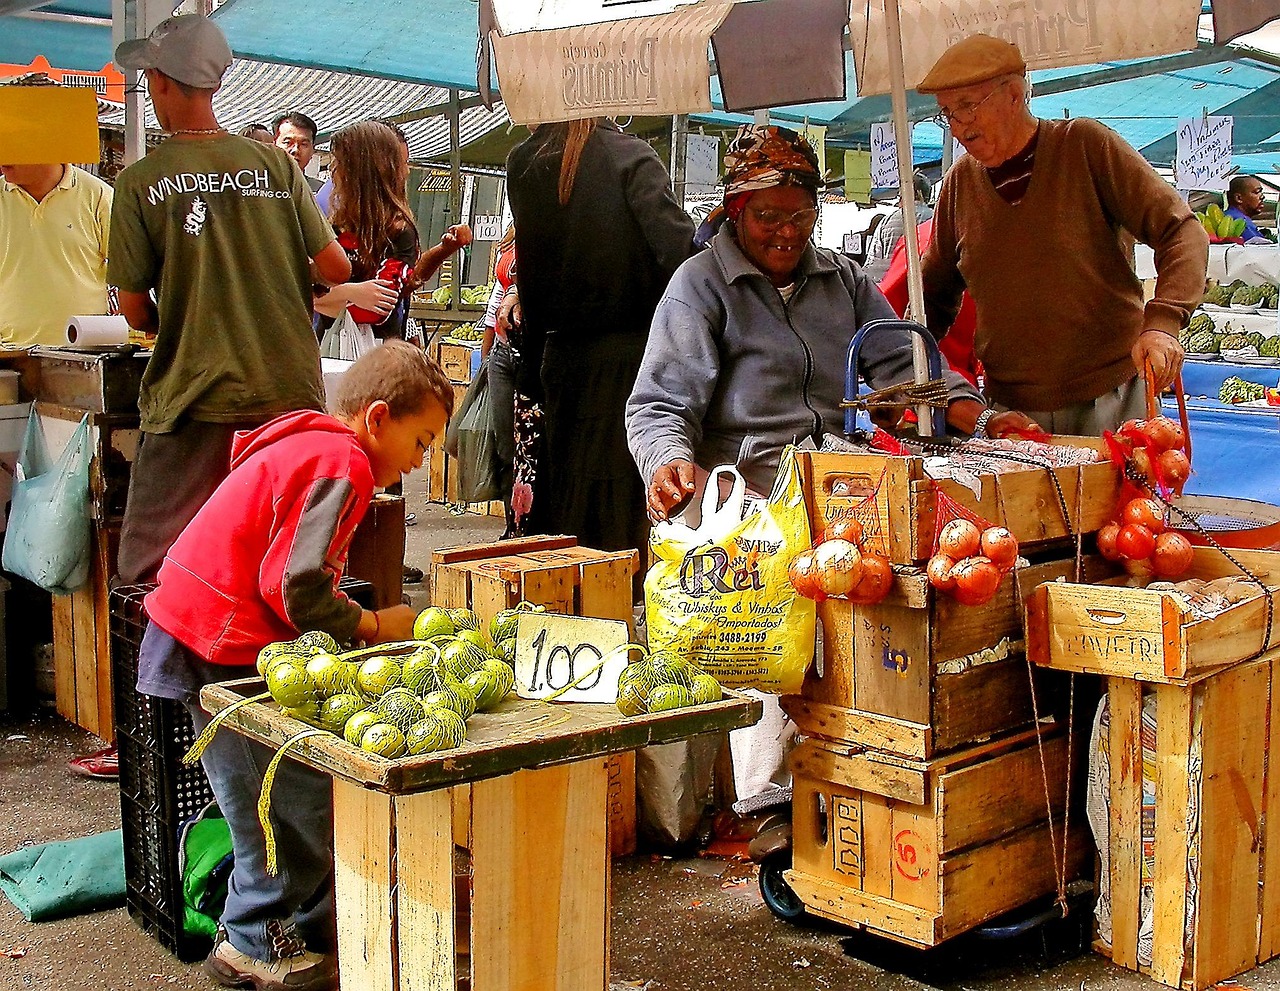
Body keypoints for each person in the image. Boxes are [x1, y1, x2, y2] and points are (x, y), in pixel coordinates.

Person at [625, 124, 992, 809]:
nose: (787, 233)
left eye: (800, 216)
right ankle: (765, 802)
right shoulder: (700, 286)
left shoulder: (845, 281)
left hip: (838, 493)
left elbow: (907, 375)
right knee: (771, 648)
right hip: (748, 506)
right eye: (768, 217)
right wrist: (668, 460)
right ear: (735, 212)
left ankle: (859, 777)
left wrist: (977, 413)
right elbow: (657, 404)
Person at [136, 341, 452, 991]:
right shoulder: (345, 464)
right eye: (420, 442)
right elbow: (294, 585)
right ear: (378, 418)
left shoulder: (311, 444)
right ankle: (251, 941)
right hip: (213, 645)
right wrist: (370, 623)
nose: (420, 461)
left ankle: (287, 924)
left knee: (272, 796)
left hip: (199, 630)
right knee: (289, 800)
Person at [109, 13, 352, 587]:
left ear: (162, 82)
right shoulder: (275, 164)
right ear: (215, 83)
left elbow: (135, 309)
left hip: (197, 397)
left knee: (148, 569)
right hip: (288, 394)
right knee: (278, 560)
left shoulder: (142, 181)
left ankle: (166, 678)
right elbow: (336, 267)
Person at [918, 34, 1209, 434]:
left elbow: (1181, 229)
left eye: (968, 106)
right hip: (1011, 412)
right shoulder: (958, 185)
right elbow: (932, 293)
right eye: (947, 113)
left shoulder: (1085, 147)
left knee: (1123, 499)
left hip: (1110, 399)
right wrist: (906, 361)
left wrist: (1163, 321)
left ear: (1015, 95)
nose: (958, 125)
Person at [506, 117, 695, 558]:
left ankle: (574, 606)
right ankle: (616, 613)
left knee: (570, 504)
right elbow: (681, 258)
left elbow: (530, 274)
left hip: (559, 361)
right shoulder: (629, 156)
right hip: (630, 364)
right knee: (620, 511)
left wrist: (531, 371)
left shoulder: (524, 160)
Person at [0, 155, 112, 349]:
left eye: (15, 145)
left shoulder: (99, 195)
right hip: (8, 351)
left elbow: (130, 271)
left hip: (85, 350)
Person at [480, 225, 518, 534]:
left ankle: (534, 522)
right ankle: (513, 523)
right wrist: (486, 355)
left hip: (536, 354)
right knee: (506, 447)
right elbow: (497, 296)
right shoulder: (510, 239)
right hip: (503, 355)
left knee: (533, 447)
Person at [862, 170, 934, 282]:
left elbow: (872, 261)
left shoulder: (885, 221)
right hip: (918, 284)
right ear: (923, 194)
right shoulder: (932, 218)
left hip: (887, 284)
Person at [273, 111, 322, 191]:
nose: (295, 150)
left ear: (312, 150)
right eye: (287, 142)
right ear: (273, 145)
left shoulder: (321, 192)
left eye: (303, 144)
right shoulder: (256, 189)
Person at [1225, 174, 1275, 242]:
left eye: (1261, 192)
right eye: (1257, 192)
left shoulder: (1230, 216)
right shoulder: (1239, 221)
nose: (1262, 197)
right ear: (1238, 198)